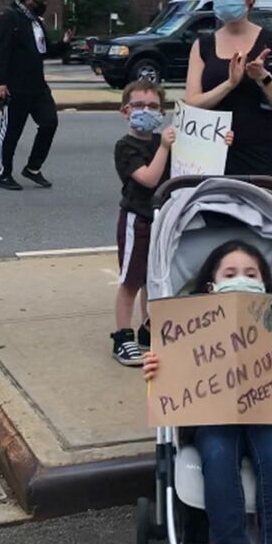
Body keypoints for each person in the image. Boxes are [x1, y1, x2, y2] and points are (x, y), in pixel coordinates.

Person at [144, 240, 272, 544]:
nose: (241, 279)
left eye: (251, 274)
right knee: (218, 453)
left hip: (269, 411)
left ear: (265, 283)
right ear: (211, 285)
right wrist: (158, 373)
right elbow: (174, 382)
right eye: (231, 274)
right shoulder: (192, 328)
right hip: (213, 414)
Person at [184, 0, 272, 178]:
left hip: (260, 159)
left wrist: (263, 78)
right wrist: (229, 84)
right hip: (210, 157)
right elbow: (191, 104)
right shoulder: (203, 45)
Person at [111, 81, 175, 366]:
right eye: (138, 105)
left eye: (152, 106)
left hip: (162, 220)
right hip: (137, 220)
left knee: (154, 279)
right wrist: (163, 147)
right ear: (126, 111)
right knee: (131, 280)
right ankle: (123, 337)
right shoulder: (126, 147)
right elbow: (148, 179)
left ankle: (149, 329)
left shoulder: (164, 141)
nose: (146, 111)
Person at [0, 0, 71, 190]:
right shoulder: (10, 19)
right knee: (11, 132)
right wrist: (0, 82)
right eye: (40, 1)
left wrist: (63, 44)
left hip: (38, 87)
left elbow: (45, 50)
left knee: (49, 122)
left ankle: (33, 168)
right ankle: (4, 174)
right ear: (28, 0)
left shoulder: (36, 22)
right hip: (15, 87)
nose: (43, 6)